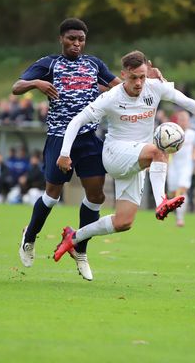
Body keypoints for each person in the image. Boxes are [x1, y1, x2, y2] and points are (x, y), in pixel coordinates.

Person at [52, 50, 195, 276]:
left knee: (124, 222)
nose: (139, 82)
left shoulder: (154, 87)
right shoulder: (111, 97)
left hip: (137, 159)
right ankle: (162, 201)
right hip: (115, 154)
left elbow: (187, 102)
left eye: (142, 76)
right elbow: (77, 121)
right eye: (133, 78)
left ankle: (74, 237)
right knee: (159, 151)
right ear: (123, 75)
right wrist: (64, 153)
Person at [12, 18, 122, 280]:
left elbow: (118, 84)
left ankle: (80, 249)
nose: (76, 43)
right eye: (72, 39)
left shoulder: (94, 64)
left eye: (81, 39)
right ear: (61, 39)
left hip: (88, 137)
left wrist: (141, 84)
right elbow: (16, 87)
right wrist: (36, 83)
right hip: (60, 138)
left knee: (96, 197)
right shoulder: (49, 64)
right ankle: (29, 236)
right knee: (52, 195)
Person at [167, 111, 195, 227]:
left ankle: (180, 219)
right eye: (181, 120)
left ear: (188, 121)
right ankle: (173, 208)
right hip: (174, 166)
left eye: (185, 120)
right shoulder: (173, 133)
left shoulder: (192, 134)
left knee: (182, 190)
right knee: (172, 192)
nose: (183, 122)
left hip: (186, 166)